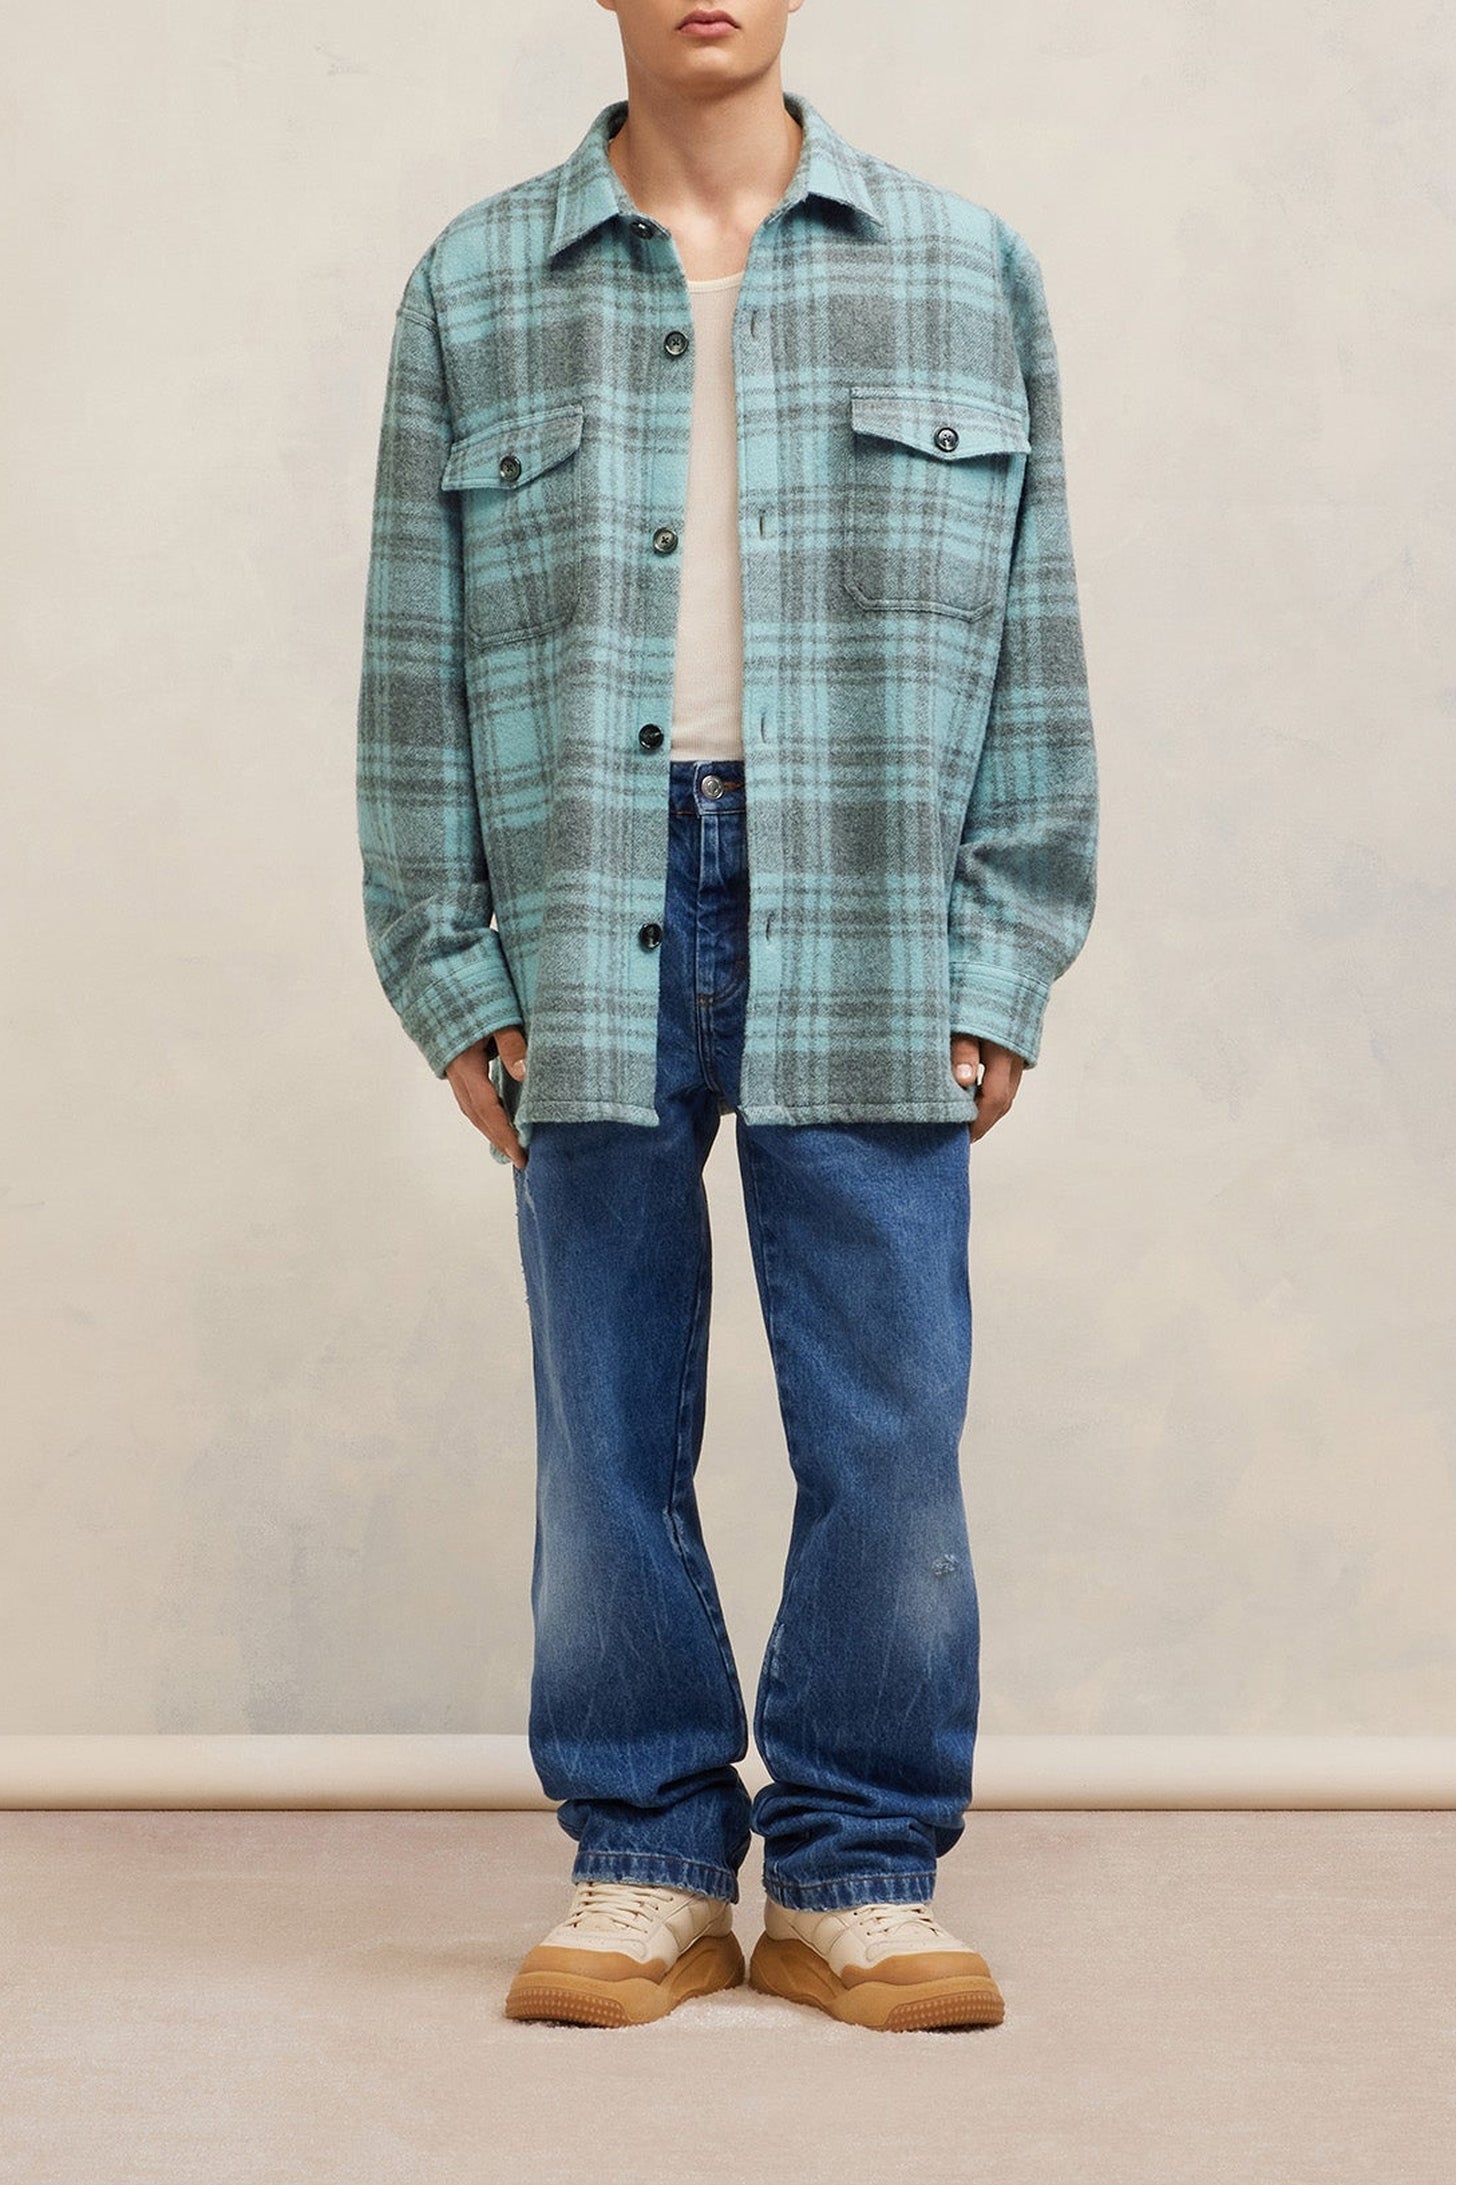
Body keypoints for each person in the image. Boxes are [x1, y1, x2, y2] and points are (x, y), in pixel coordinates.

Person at [357, 0, 1098, 2033]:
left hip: (867, 900)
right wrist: (449, 968)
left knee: (888, 1416)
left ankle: (859, 1868)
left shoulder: (963, 265)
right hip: (583, 900)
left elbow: (1034, 639)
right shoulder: (474, 285)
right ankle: (649, 1859)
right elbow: (411, 667)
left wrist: (1004, 947)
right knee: (604, 1413)